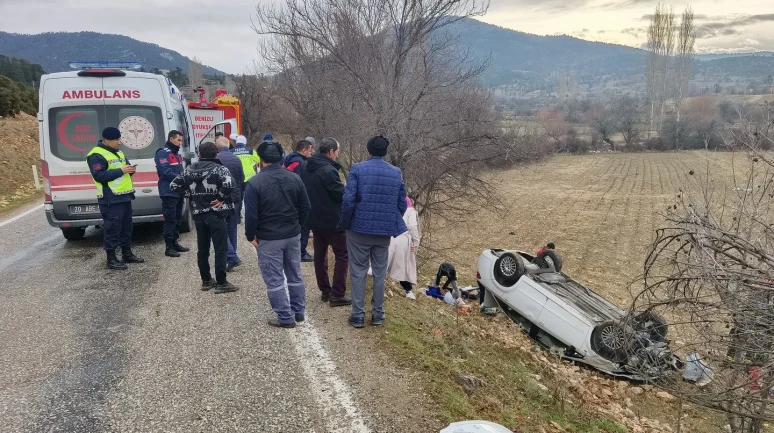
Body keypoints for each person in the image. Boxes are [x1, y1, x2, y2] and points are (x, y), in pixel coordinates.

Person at [341, 135, 407, 328]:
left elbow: (348, 201)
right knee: (379, 272)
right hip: (383, 232)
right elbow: (402, 203)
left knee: (358, 271)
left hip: (359, 229)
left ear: (368, 151)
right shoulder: (396, 172)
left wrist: (346, 223)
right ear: (384, 153)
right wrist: (390, 220)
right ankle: (378, 314)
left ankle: (358, 315)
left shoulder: (358, 169)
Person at [244, 140, 311, 328]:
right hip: (292, 234)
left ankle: (285, 316)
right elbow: (306, 207)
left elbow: (251, 215)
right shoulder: (294, 178)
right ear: (281, 156)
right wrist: (297, 225)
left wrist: (251, 235)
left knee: (274, 279)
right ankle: (298, 311)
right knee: (294, 273)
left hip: (269, 237)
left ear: (260, 158)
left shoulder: (254, 183)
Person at [170, 141, 238, 294]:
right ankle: (221, 282)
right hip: (216, 214)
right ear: (216, 154)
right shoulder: (220, 169)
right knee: (220, 249)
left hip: (198, 214)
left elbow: (173, 186)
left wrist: (190, 195)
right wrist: (220, 198)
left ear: (199, 154)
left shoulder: (189, 169)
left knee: (203, 249)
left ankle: (206, 280)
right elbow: (229, 185)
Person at [300, 137, 351, 307]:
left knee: (320, 256)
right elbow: (339, 195)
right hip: (332, 221)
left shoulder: (307, 166)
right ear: (330, 152)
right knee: (343, 255)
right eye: (337, 151)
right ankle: (337, 294)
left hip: (313, 218)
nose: (338, 155)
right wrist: (347, 190)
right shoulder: (328, 171)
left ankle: (325, 291)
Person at [86, 127, 144, 270]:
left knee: (127, 227)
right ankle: (111, 259)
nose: (120, 142)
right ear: (106, 140)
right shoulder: (95, 155)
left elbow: (124, 170)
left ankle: (127, 254)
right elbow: (99, 175)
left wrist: (130, 170)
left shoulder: (118, 152)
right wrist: (121, 170)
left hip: (124, 196)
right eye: (116, 140)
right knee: (112, 229)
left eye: (120, 139)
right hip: (110, 198)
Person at [155, 130, 190, 257]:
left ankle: (175, 242)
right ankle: (169, 247)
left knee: (177, 218)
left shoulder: (176, 154)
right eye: (178, 140)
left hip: (178, 190)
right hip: (168, 191)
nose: (180, 143)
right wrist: (182, 179)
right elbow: (165, 172)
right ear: (171, 139)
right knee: (170, 219)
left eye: (181, 140)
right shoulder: (162, 153)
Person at [215, 136, 245, 271]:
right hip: (235, 198)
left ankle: (230, 256)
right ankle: (231, 257)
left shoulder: (215, 159)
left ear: (217, 147)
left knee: (220, 228)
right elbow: (242, 178)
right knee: (232, 228)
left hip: (220, 199)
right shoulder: (236, 159)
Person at [284, 139, 314, 262]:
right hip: (297, 200)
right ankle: (301, 252)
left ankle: (293, 250)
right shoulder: (300, 162)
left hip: (288, 197)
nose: (310, 153)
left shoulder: (289, 159)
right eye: (309, 150)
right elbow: (300, 183)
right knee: (304, 225)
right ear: (304, 150)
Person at [387, 196, 421, 299]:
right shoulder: (411, 212)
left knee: (384, 262)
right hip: (403, 239)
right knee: (405, 267)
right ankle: (408, 290)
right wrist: (416, 242)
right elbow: (412, 227)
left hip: (389, 237)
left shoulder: (393, 208)